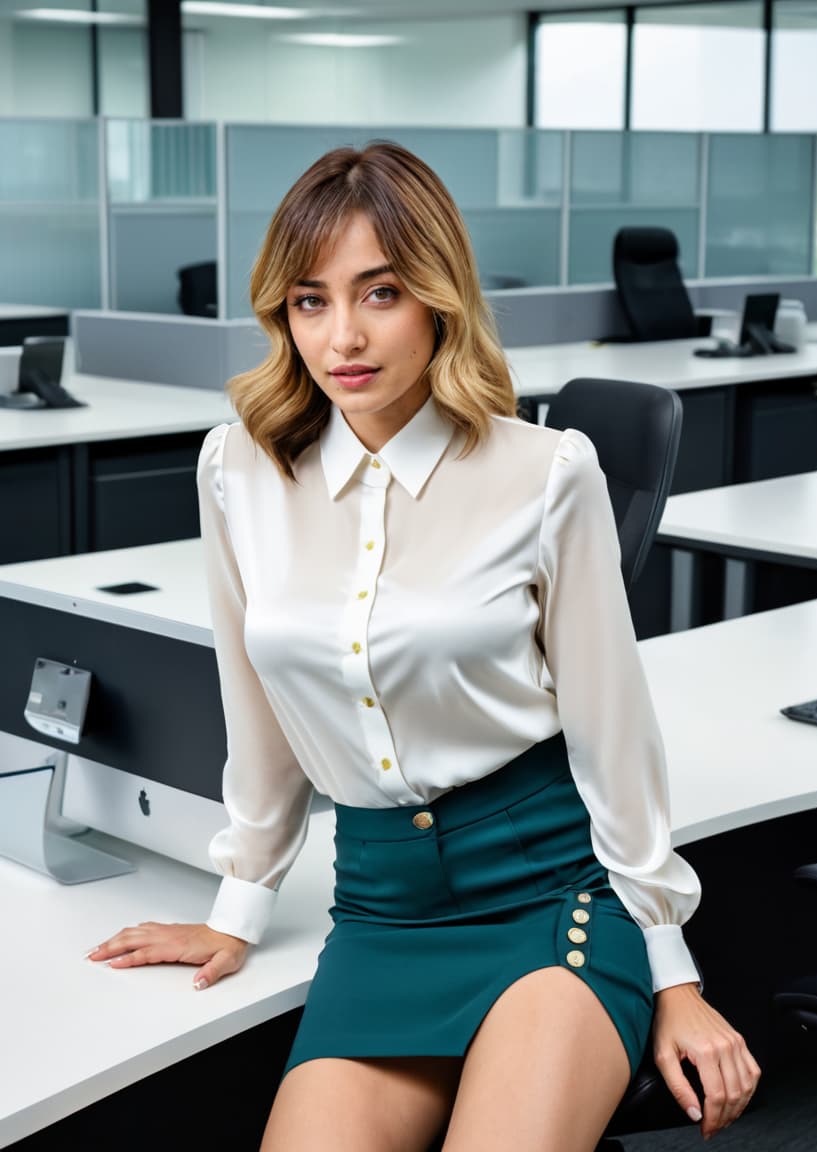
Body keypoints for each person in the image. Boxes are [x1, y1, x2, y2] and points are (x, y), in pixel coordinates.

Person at [88, 140, 760, 1152]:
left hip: (547, 899)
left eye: (380, 293)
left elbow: (611, 732)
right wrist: (240, 900)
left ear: (437, 297)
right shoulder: (237, 468)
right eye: (310, 301)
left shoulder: (543, 472)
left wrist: (675, 975)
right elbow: (258, 712)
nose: (342, 337)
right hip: (379, 915)